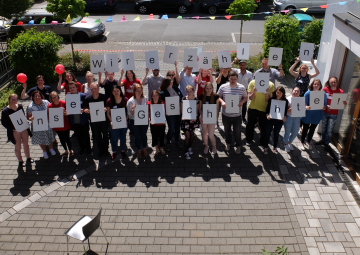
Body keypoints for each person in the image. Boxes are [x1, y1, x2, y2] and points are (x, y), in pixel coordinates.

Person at [218, 71, 247, 154]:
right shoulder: (223, 87)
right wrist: (222, 102)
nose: (233, 80)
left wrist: (242, 102)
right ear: (228, 78)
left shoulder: (242, 87)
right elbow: (218, 96)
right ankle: (228, 143)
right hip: (226, 114)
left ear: (237, 79)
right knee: (227, 131)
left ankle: (238, 145)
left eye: (235, 79)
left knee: (237, 131)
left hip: (237, 115)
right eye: (231, 79)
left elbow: (245, 97)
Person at [1, 94, 34, 166]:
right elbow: (4, 123)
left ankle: (28, 158)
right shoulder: (5, 111)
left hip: (23, 128)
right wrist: (13, 129)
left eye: (15, 99)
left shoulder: (20, 106)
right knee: (18, 146)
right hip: (15, 131)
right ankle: (20, 161)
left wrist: (27, 124)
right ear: (9, 100)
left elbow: (22, 117)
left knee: (26, 144)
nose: (14, 101)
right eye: (12, 99)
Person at [316, 76, 347, 148]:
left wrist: (344, 103)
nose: (333, 83)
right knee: (324, 128)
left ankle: (327, 143)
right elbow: (320, 100)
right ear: (329, 82)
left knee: (330, 129)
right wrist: (326, 105)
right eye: (332, 82)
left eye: (335, 82)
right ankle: (323, 140)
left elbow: (341, 103)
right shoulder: (325, 90)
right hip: (325, 112)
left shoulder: (341, 91)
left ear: (337, 82)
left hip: (333, 113)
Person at [246, 78, 275, 148]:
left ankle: (262, 141)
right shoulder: (253, 82)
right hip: (253, 107)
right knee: (250, 125)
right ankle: (249, 140)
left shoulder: (271, 85)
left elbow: (268, 100)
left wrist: (268, 93)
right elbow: (250, 98)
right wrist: (254, 91)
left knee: (263, 126)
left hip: (264, 109)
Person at [26, 91, 56, 159]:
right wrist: (31, 118)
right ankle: (45, 151)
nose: (37, 97)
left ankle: (51, 149)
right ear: (33, 98)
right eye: (35, 96)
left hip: (48, 124)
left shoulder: (46, 102)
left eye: (38, 96)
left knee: (50, 136)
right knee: (41, 139)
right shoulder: (30, 107)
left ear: (41, 96)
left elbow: (52, 110)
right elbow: (28, 117)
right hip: (38, 126)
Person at [300, 79, 328, 150]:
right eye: (315, 84)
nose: (316, 85)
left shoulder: (323, 94)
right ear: (312, 85)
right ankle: (302, 143)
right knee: (305, 129)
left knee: (312, 129)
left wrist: (324, 107)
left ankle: (309, 142)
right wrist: (306, 106)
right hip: (308, 114)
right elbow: (303, 103)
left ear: (320, 86)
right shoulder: (308, 93)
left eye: (318, 84)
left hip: (317, 114)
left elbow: (325, 104)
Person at [83, 83, 109, 158]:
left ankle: (106, 149)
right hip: (94, 121)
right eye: (92, 89)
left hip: (103, 120)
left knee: (105, 135)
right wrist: (86, 110)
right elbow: (85, 108)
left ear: (98, 89)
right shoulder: (88, 99)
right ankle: (100, 150)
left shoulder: (104, 97)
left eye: (95, 88)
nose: (93, 90)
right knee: (97, 136)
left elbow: (108, 107)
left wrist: (106, 108)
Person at [68, 81, 92, 155]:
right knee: (79, 136)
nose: (72, 89)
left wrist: (84, 109)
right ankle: (82, 148)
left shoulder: (83, 96)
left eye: (73, 87)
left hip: (83, 120)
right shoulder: (68, 97)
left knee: (86, 135)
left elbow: (87, 107)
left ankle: (88, 149)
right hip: (74, 121)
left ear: (76, 87)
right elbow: (68, 108)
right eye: (70, 88)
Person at [264, 86, 289, 154]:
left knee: (276, 134)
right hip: (271, 119)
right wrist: (267, 115)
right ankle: (266, 147)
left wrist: (284, 117)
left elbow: (285, 112)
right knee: (267, 133)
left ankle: (275, 147)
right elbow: (267, 110)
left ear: (283, 93)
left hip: (279, 121)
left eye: (280, 93)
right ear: (275, 92)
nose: (278, 94)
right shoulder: (272, 99)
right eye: (277, 92)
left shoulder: (285, 101)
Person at [106, 85, 128, 160]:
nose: (116, 92)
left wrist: (126, 119)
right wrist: (111, 120)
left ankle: (122, 150)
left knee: (123, 137)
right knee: (114, 138)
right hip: (114, 123)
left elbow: (128, 112)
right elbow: (108, 113)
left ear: (120, 91)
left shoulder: (125, 100)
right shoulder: (109, 101)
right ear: (112, 92)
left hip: (123, 123)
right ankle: (114, 151)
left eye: (117, 90)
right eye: (114, 91)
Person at [160, 78, 183, 148]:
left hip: (178, 112)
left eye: (172, 81)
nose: (172, 82)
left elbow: (181, 96)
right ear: (167, 83)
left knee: (177, 127)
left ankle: (177, 141)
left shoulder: (175, 88)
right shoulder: (163, 93)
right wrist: (165, 112)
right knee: (171, 128)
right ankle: (168, 141)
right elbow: (162, 104)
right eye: (171, 82)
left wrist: (181, 107)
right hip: (170, 114)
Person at [127, 84, 149, 158]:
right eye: (137, 91)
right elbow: (129, 114)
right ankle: (139, 150)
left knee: (144, 134)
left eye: (141, 91)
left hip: (144, 120)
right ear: (134, 91)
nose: (139, 92)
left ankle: (144, 148)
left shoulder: (145, 99)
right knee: (137, 136)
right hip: (134, 121)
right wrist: (133, 111)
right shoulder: (131, 101)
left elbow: (148, 109)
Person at [48, 91, 73, 156]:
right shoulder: (50, 106)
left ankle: (70, 150)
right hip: (57, 126)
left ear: (58, 96)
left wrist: (66, 113)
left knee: (67, 138)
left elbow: (69, 111)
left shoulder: (64, 103)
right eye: (53, 97)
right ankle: (66, 150)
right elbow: (50, 116)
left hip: (65, 124)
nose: (55, 98)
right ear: (51, 99)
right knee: (61, 138)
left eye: (56, 96)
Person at [199, 82, 219, 154]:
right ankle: (206, 145)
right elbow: (200, 108)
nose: (208, 90)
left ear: (212, 88)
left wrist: (215, 119)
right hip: (204, 117)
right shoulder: (202, 96)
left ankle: (214, 146)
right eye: (207, 88)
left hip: (212, 118)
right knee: (204, 133)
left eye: (210, 88)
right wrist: (201, 116)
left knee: (211, 135)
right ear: (205, 88)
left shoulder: (216, 96)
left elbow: (217, 108)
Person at [231, 59, 253, 124]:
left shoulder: (249, 74)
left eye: (244, 65)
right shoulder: (236, 71)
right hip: (236, 90)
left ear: (246, 65)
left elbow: (251, 83)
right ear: (239, 65)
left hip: (244, 91)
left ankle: (243, 118)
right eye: (241, 65)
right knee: (234, 105)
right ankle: (233, 118)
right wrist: (233, 62)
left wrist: (248, 91)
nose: (242, 66)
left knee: (244, 105)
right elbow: (228, 68)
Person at [181, 85, 200, 159]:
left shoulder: (197, 100)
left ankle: (189, 147)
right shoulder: (183, 99)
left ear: (193, 91)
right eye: (187, 91)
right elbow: (182, 110)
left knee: (192, 134)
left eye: (190, 91)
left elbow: (197, 110)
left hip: (193, 120)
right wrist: (183, 117)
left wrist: (196, 118)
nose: (189, 93)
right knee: (188, 136)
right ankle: (186, 152)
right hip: (186, 120)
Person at [283, 86, 302, 152]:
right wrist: (289, 110)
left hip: (297, 118)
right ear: (292, 91)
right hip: (289, 117)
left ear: (299, 93)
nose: (296, 92)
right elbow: (284, 110)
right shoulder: (288, 99)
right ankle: (285, 144)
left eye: (298, 91)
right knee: (287, 132)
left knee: (295, 132)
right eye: (295, 90)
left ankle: (289, 143)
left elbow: (302, 108)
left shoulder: (301, 99)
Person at [148, 90, 166, 155]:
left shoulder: (163, 103)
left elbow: (167, 111)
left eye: (157, 95)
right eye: (154, 95)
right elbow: (147, 112)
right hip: (153, 123)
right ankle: (156, 148)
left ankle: (161, 147)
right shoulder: (149, 104)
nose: (155, 97)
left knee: (161, 136)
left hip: (161, 123)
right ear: (152, 96)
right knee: (154, 136)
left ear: (159, 96)